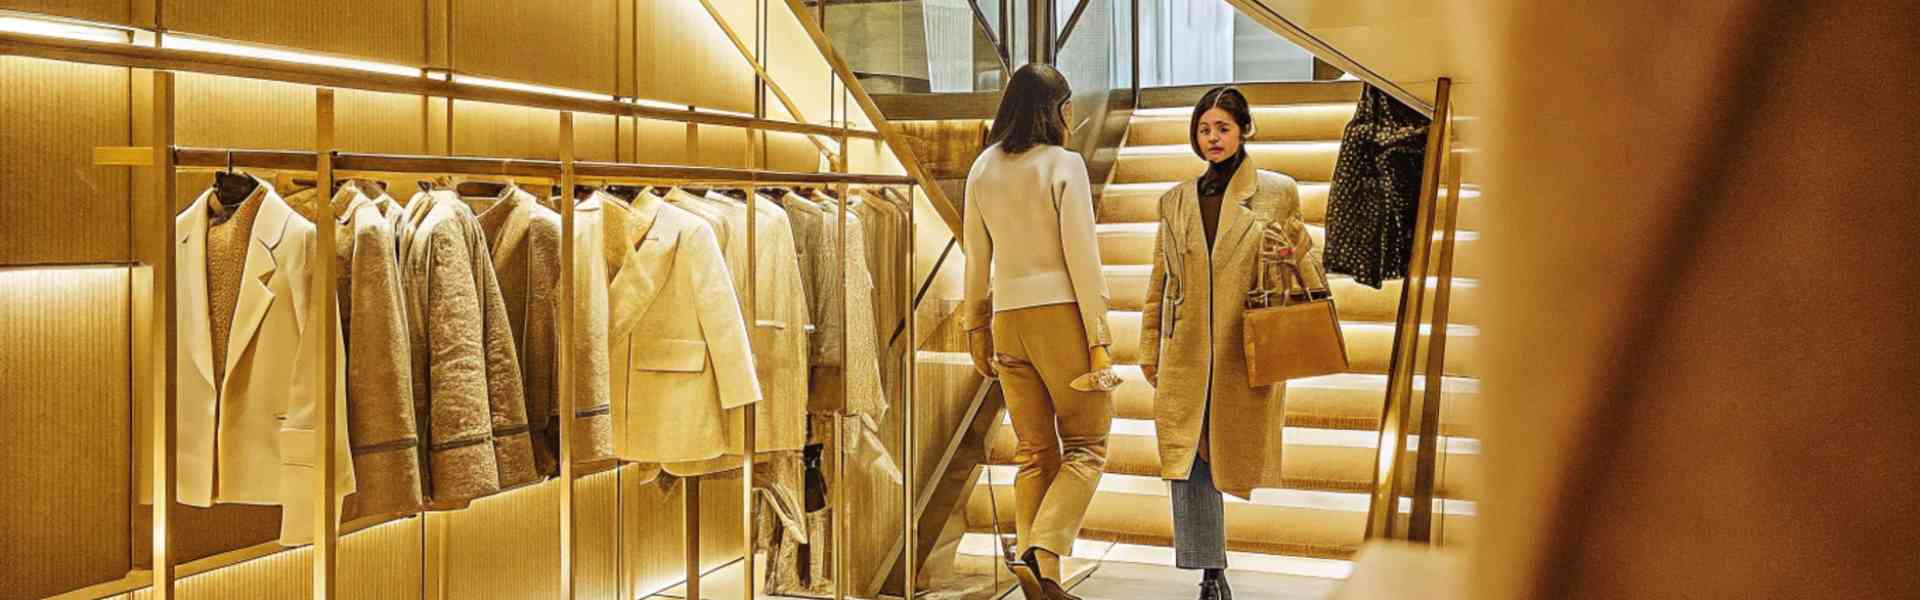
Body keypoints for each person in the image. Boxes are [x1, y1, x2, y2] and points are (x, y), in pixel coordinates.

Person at [1138, 85, 1326, 600]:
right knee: (1189, 459)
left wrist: (1293, 251)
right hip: (1186, 348)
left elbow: (1305, 265)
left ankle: (1213, 569)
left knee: (1225, 453)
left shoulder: (1277, 190)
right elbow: (1161, 280)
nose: (1213, 138)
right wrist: (1149, 343)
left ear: (1244, 130)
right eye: (1204, 129)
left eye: (1222, 127)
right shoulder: (1175, 200)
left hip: (1245, 348)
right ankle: (1210, 572)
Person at [962, 62, 1117, 600]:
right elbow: (1083, 256)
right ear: (1059, 110)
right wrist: (1099, 340)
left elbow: (975, 258)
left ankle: (1040, 580)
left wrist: (974, 326)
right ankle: (1041, 548)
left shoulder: (983, 167)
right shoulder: (1064, 163)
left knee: (1034, 452)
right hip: (1061, 317)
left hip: (1008, 319)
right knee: (1088, 446)